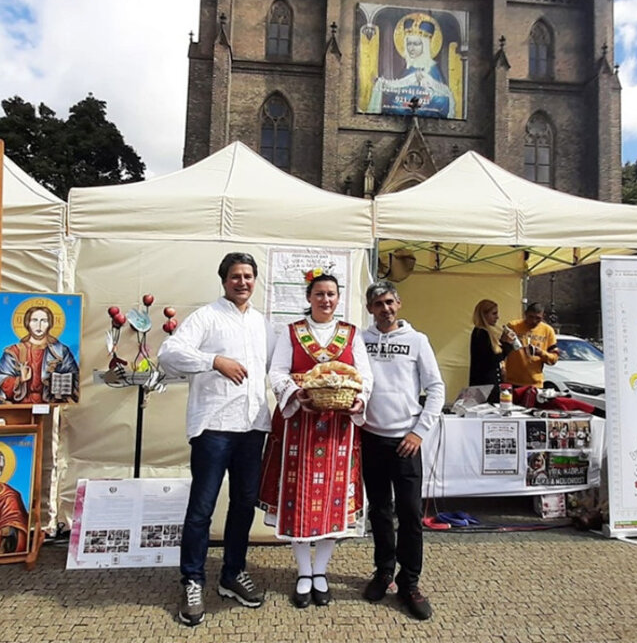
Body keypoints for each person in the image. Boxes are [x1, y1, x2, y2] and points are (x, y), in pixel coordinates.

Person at [157, 253, 272, 627]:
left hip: (252, 426)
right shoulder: (206, 317)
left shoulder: (262, 323)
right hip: (214, 428)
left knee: (244, 505)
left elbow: (277, 368)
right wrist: (214, 361)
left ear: (255, 281)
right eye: (236, 276)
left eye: (248, 276)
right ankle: (192, 580)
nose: (243, 282)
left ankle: (232, 573)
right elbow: (168, 354)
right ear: (224, 280)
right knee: (202, 508)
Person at [257, 272, 373, 609]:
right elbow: (277, 371)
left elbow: (365, 375)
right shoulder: (292, 332)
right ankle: (303, 572)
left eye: (331, 294)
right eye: (319, 294)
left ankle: (320, 571)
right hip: (299, 427)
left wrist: (359, 399)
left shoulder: (351, 333)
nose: (326, 300)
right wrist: (297, 393)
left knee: (333, 501)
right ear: (309, 297)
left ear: (338, 298)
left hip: (338, 430)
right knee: (298, 500)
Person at [359, 280, 444, 621]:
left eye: (390, 302)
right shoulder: (360, 340)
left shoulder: (417, 340)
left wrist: (419, 432)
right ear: (370, 308)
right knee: (379, 510)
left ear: (399, 304)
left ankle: (409, 582)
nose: (386, 309)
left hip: (406, 441)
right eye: (379, 303)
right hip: (370, 438)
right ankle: (384, 572)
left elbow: (436, 388)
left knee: (409, 513)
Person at [366, 12, 455, 118]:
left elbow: (442, 97)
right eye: (409, 44)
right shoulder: (410, 67)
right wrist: (382, 83)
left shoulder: (431, 68)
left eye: (416, 44)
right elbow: (400, 87)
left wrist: (427, 83)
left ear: (425, 45)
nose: (411, 48)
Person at [0, 305, 79, 404]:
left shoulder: (60, 351)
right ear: (27, 323)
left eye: (44, 321)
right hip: (20, 406)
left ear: (50, 324)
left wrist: (59, 382)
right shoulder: (14, 352)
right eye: (34, 320)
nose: (39, 325)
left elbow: (76, 380)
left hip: (51, 405)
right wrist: (20, 380)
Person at [502, 302, 559, 388]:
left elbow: (554, 359)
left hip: (535, 383)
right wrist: (502, 367)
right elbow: (501, 350)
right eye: (531, 317)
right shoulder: (513, 326)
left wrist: (541, 353)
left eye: (538, 318)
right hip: (511, 381)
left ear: (543, 316)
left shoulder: (548, 331)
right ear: (525, 314)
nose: (533, 321)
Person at [468, 299, 517, 387]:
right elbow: (491, 359)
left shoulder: (486, 332)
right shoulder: (481, 333)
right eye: (494, 313)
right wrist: (507, 344)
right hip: (485, 384)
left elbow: (494, 354)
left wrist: (503, 342)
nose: (497, 317)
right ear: (484, 315)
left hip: (489, 383)